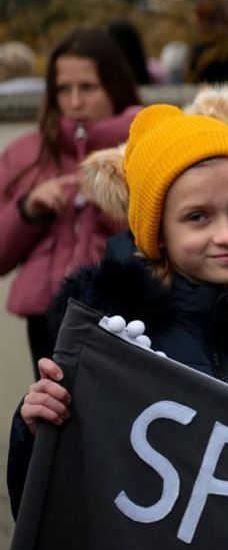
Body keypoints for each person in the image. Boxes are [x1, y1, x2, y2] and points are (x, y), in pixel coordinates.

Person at [8, 85, 228, 517]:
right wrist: (31, 432)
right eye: (198, 217)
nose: (227, 234)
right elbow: (54, 511)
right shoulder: (109, 342)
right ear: (157, 231)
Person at [0, 27, 141, 374]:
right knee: (55, 418)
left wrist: (107, 199)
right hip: (47, 319)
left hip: (129, 315)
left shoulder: (146, 145)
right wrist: (28, 210)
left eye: (88, 87)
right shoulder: (27, 153)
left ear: (114, 86)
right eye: (64, 89)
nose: (75, 102)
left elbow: (167, 238)